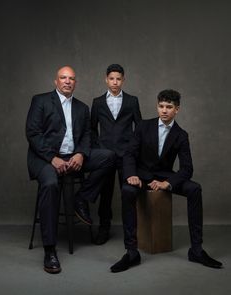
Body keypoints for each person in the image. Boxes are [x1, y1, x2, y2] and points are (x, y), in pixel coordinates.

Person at [110, 89, 223, 272]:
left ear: (177, 109)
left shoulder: (181, 135)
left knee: (195, 189)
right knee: (127, 191)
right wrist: (131, 174)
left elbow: (187, 169)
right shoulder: (143, 126)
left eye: (169, 107)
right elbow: (129, 153)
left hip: (164, 176)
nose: (164, 110)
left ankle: (196, 250)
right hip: (140, 175)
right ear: (157, 106)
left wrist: (167, 184)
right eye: (161, 106)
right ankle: (131, 252)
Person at [26, 66, 114, 274]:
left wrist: (81, 154)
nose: (67, 81)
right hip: (44, 158)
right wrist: (52, 158)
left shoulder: (82, 108)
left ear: (76, 83)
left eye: (71, 78)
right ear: (55, 81)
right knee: (50, 183)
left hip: (73, 157)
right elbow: (33, 133)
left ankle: (80, 198)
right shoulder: (40, 101)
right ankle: (50, 250)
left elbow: (85, 136)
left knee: (109, 157)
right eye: (63, 78)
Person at [91, 64, 142, 245]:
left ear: (123, 80)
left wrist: (133, 151)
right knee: (105, 194)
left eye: (118, 79)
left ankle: (132, 231)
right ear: (106, 79)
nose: (115, 82)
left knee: (128, 192)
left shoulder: (132, 101)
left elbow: (140, 128)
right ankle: (104, 227)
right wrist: (99, 149)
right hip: (105, 156)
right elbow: (91, 129)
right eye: (111, 78)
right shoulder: (97, 102)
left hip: (126, 156)